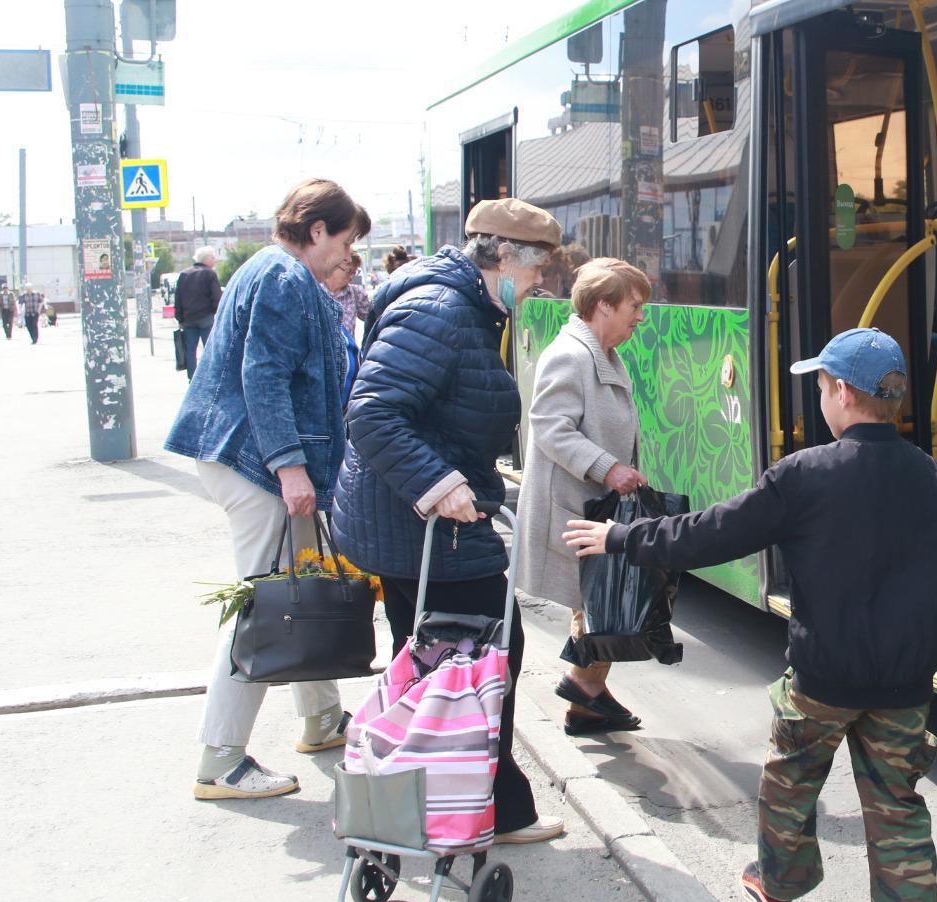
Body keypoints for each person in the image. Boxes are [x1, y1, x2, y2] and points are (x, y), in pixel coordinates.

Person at [565, 328, 937, 902]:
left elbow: (708, 534)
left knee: (789, 784)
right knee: (898, 804)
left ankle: (776, 897)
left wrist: (621, 536)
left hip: (822, 675)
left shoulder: (806, 475)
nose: (818, 397)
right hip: (904, 682)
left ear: (845, 393)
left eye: (820, 385)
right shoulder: (929, 476)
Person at [333, 197, 566, 845]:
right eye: (537, 269)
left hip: (415, 526)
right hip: (427, 526)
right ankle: (479, 807)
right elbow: (374, 413)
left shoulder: (458, 304)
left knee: (440, 667)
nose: (541, 283)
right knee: (486, 657)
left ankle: (446, 804)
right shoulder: (439, 311)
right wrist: (439, 484)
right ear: (502, 258)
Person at [165, 177, 367, 800]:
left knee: (302, 583)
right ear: (317, 231)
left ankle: (322, 717)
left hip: (253, 460)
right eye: (345, 241)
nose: (346, 256)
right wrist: (290, 466)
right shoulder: (285, 277)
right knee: (260, 606)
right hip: (259, 465)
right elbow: (265, 375)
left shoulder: (271, 269)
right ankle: (220, 758)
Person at [516, 258, 649, 735]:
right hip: (576, 504)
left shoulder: (600, 352)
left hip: (592, 503)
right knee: (602, 601)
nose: (640, 317)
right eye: (634, 307)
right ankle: (582, 685)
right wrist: (608, 468)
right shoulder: (571, 355)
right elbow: (550, 426)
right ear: (603, 306)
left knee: (600, 600)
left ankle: (586, 699)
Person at [174, 245, 224, 380]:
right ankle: (211, 377)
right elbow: (217, 297)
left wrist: (180, 319)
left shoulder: (184, 274)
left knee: (190, 350)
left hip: (188, 319)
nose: (215, 260)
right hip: (206, 318)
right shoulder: (209, 274)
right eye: (213, 257)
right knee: (209, 349)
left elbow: (178, 298)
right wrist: (217, 314)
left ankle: (192, 378)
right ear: (206, 258)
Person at [326, 249, 372, 342]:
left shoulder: (357, 293)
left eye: (354, 273)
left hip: (346, 353)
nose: (351, 277)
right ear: (333, 266)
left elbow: (372, 319)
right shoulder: (314, 290)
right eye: (348, 271)